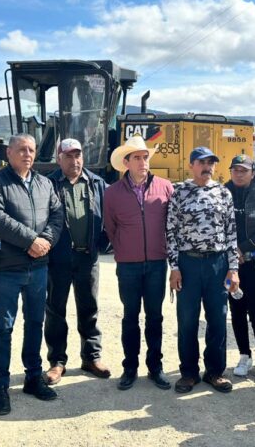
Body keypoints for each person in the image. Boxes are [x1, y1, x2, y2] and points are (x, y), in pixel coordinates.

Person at [0, 134, 64, 416]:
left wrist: (45, 242)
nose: (27, 154)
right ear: (9, 152)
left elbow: (57, 216)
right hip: (8, 268)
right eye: (21, 150)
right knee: (4, 328)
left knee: (35, 323)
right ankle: (1, 386)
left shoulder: (45, 183)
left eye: (31, 150)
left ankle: (32, 378)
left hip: (38, 268)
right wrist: (31, 240)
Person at [104, 135, 173, 391]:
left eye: (145, 157)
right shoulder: (112, 193)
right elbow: (110, 228)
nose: (143, 162)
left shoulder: (166, 187)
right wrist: (124, 248)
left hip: (157, 263)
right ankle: (129, 368)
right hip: (129, 265)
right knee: (130, 317)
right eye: (137, 158)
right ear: (126, 162)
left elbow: (171, 224)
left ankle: (155, 367)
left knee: (155, 317)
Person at [167, 146, 239, 394]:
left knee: (218, 319)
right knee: (187, 320)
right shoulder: (179, 192)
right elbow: (171, 232)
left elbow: (231, 233)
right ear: (191, 165)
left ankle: (215, 372)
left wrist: (233, 268)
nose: (207, 167)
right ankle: (188, 373)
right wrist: (174, 267)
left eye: (211, 163)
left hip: (217, 264)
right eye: (202, 162)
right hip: (188, 263)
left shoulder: (223, 194)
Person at [44, 139, 110, 385]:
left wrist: (104, 244)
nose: (74, 160)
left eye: (78, 155)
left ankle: (91, 357)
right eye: (68, 156)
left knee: (89, 309)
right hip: (58, 259)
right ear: (59, 159)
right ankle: (57, 362)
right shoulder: (48, 184)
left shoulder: (98, 184)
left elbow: (110, 216)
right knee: (55, 310)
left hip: (87, 258)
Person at [224, 154, 255, 383]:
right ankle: (244, 355)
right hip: (229, 266)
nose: (239, 173)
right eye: (235, 169)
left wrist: (242, 250)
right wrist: (232, 252)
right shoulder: (221, 192)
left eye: (244, 170)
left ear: (253, 173)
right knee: (236, 310)